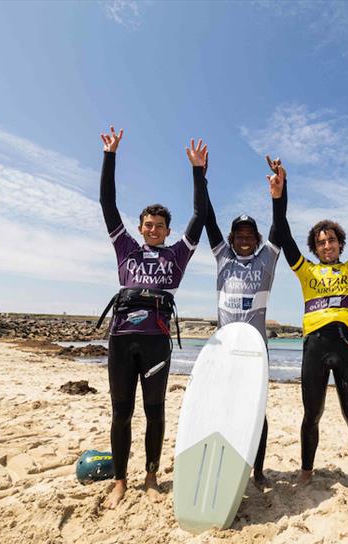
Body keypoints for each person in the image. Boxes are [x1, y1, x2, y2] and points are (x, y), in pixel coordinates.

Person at [98, 127, 208, 509]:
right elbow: (107, 204)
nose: (153, 230)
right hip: (122, 340)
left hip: (156, 342)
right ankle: (119, 480)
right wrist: (110, 156)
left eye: (159, 226)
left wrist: (198, 171)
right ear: (141, 226)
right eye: (147, 225)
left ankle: (150, 476)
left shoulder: (177, 255)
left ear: (167, 231)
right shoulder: (126, 248)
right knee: (121, 411)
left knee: (155, 410)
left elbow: (200, 214)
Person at [271, 158, 348, 500]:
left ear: (340, 243)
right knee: (312, 414)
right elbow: (281, 231)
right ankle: (306, 470)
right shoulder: (305, 270)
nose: (327, 245)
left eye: (332, 240)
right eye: (321, 242)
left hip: (346, 346)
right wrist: (280, 192)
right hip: (315, 347)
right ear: (315, 247)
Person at [202, 156, 286, 486]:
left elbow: (280, 224)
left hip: (255, 352)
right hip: (224, 351)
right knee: (222, 407)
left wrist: (280, 190)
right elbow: (207, 219)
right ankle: (223, 462)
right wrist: (201, 179)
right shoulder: (222, 256)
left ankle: (259, 470)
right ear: (232, 237)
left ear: (257, 236)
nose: (245, 237)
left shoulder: (267, 258)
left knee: (256, 411)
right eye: (239, 233)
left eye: (250, 233)